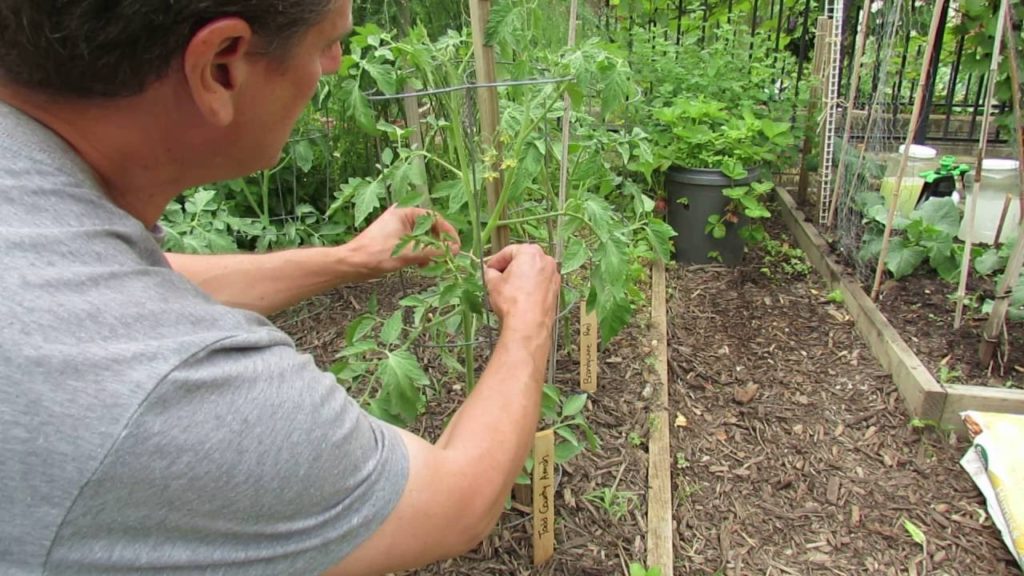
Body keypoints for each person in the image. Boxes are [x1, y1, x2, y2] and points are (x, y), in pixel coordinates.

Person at [0, 1, 560, 574]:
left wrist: (348, 259)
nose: (338, 65)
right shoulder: (183, 392)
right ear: (221, 65)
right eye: (326, 44)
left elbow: (127, 281)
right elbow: (457, 503)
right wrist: (528, 325)